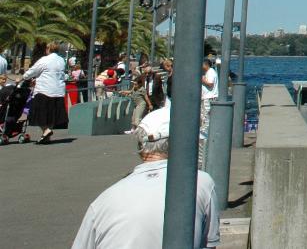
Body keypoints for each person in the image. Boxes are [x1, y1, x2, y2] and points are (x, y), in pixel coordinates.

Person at [70, 103, 219, 248]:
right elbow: (209, 244)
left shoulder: (103, 201)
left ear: (141, 147)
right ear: (182, 144)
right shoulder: (201, 183)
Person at [22, 41, 67, 144]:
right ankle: (47, 136)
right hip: (58, 91)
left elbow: (33, 70)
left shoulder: (45, 60)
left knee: (39, 113)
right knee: (51, 114)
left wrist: (24, 77)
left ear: (48, 49)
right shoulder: (61, 60)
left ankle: (46, 130)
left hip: (44, 90)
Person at [198, 59, 217, 167]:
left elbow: (210, 84)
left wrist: (202, 79)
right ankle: (204, 135)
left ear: (205, 65)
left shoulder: (211, 73)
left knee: (206, 117)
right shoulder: (209, 72)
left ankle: (204, 137)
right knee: (204, 116)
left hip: (208, 98)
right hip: (206, 97)